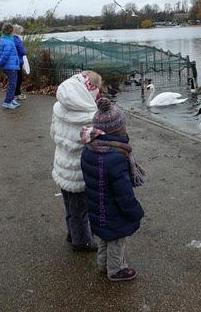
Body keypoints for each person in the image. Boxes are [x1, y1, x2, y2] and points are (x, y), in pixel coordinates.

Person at [80, 97, 144, 281]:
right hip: (113, 211)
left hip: (96, 207)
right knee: (116, 241)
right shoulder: (115, 157)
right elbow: (124, 193)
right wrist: (134, 210)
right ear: (119, 129)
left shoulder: (89, 149)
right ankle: (116, 270)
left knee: (103, 238)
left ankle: (102, 264)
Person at [50, 71, 102, 252]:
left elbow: (53, 133)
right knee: (81, 208)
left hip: (62, 165)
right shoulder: (90, 116)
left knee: (69, 203)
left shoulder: (59, 108)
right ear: (92, 92)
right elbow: (95, 145)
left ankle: (72, 232)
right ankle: (82, 241)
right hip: (79, 171)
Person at [0, 23, 20, 109]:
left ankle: (11, 98)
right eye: (13, 31)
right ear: (10, 32)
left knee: (13, 83)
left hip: (11, 66)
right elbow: (5, 56)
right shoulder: (9, 42)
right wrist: (0, 64)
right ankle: (7, 102)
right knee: (12, 84)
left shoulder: (4, 39)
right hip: (10, 67)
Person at [13, 24, 27, 100]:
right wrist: (25, 52)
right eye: (20, 32)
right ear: (18, 31)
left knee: (14, 78)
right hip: (18, 61)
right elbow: (22, 52)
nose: (21, 33)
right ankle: (17, 94)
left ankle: (15, 94)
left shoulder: (10, 38)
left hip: (12, 62)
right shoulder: (18, 40)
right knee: (19, 78)